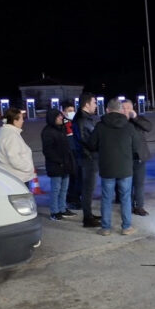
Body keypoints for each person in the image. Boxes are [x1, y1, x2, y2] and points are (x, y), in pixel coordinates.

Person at [88, 99, 139, 236]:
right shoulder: (128, 126)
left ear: (107, 110)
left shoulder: (100, 126)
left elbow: (92, 145)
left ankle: (105, 228)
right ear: (121, 110)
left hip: (107, 167)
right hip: (125, 168)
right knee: (125, 197)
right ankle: (126, 227)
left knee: (106, 198)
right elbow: (136, 147)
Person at [41, 108, 76, 221]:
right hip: (56, 165)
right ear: (53, 118)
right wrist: (59, 161)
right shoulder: (47, 131)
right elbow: (48, 151)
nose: (61, 118)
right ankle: (54, 211)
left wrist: (66, 115)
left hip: (65, 164)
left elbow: (70, 121)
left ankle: (62, 208)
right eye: (59, 116)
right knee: (56, 189)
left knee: (64, 188)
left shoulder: (61, 128)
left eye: (61, 116)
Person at [74, 93, 102, 227]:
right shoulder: (82, 120)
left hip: (87, 158)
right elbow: (88, 141)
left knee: (88, 189)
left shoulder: (84, 118)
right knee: (87, 189)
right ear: (87, 104)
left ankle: (89, 214)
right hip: (88, 158)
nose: (96, 105)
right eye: (94, 102)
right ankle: (87, 218)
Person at [122, 99, 152, 216]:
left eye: (127, 108)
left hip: (139, 157)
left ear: (132, 108)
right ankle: (128, 206)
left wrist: (135, 117)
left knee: (139, 184)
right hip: (125, 158)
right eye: (123, 108)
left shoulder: (138, 119)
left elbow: (149, 127)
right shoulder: (119, 121)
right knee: (126, 185)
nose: (125, 110)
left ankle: (139, 206)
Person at [0, 107, 35, 188]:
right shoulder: (11, 135)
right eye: (21, 119)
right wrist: (28, 168)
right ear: (15, 121)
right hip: (18, 178)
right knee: (23, 200)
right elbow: (14, 159)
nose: (23, 121)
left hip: (8, 176)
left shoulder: (0, 131)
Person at [61, 101, 82, 210]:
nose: (72, 112)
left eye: (73, 110)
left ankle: (76, 197)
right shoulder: (62, 123)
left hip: (77, 152)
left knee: (78, 177)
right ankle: (72, 199)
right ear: (63, 112)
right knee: (73, 178)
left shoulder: (75, 121)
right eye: (69, 111)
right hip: (69, 154)